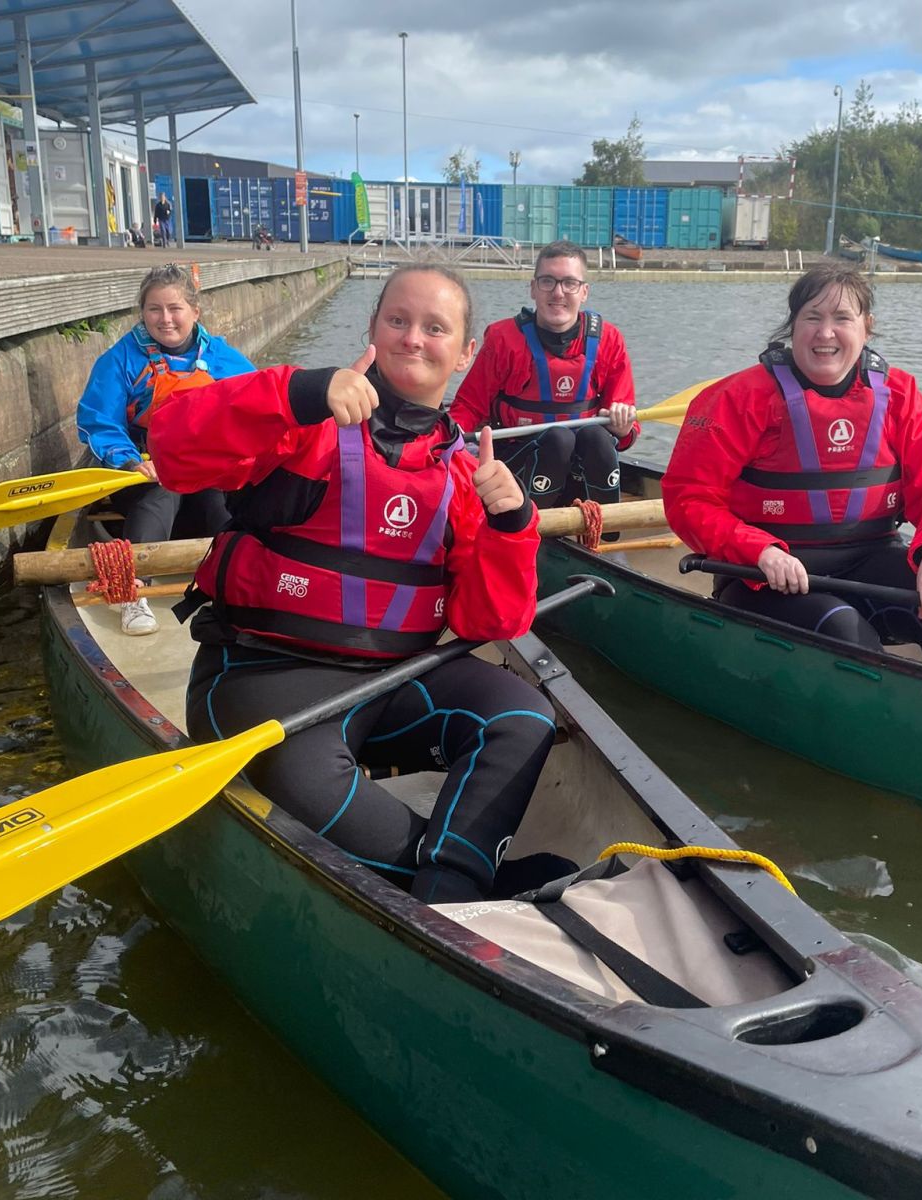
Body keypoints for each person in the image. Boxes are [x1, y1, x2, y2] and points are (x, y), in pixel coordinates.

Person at [147, 264, 559, 905]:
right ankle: (469, 885)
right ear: (372, 327)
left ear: (465, 352)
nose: (413, 339)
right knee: (342, 809)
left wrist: (513, 523)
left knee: (525, 714)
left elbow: (489, 623)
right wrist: (298, 391)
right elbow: (173, 449)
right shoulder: (304, 419)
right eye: (398, 320)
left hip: (392, 682)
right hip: (264, 679)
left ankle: (451, 893)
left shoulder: (462, 471)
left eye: (435, 328)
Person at [663, 261, 922, 686]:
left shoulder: (898, 395)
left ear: (866, 327)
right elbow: (689, 498)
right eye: (812, 317)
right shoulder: (736, 399)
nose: (825, 333)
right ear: (793, 326)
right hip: (764, 577)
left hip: (871, 560)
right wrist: (759, 549)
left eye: (842, 319)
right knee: (842, 627)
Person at [76, 263, 255, 635]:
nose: (165, 319)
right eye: (154, 309)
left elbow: (259, 410)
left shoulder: (224, 359)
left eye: (175, 308)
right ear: (142, 313)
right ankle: (132, 588)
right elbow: (99, 421)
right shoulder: (120, 359)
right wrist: (127, 460)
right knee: (163, 490)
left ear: (195, 312)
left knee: (217, 503)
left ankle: (240, 578)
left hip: (202, 468)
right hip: (141, 468)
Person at [450, 240, 639, 512]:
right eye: (547, 281)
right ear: (533, 288)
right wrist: (449, 441)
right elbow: (469, 407)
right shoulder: (504, 340)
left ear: (584, 292)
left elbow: (626, 432)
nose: (558, 293)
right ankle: (526, 525)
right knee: (558, 439)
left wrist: (623, 427)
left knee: (597, 437)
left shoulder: (609, 340)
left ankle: (606, 532)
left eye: (569, 283)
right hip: (520, 464)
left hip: (579, 467)